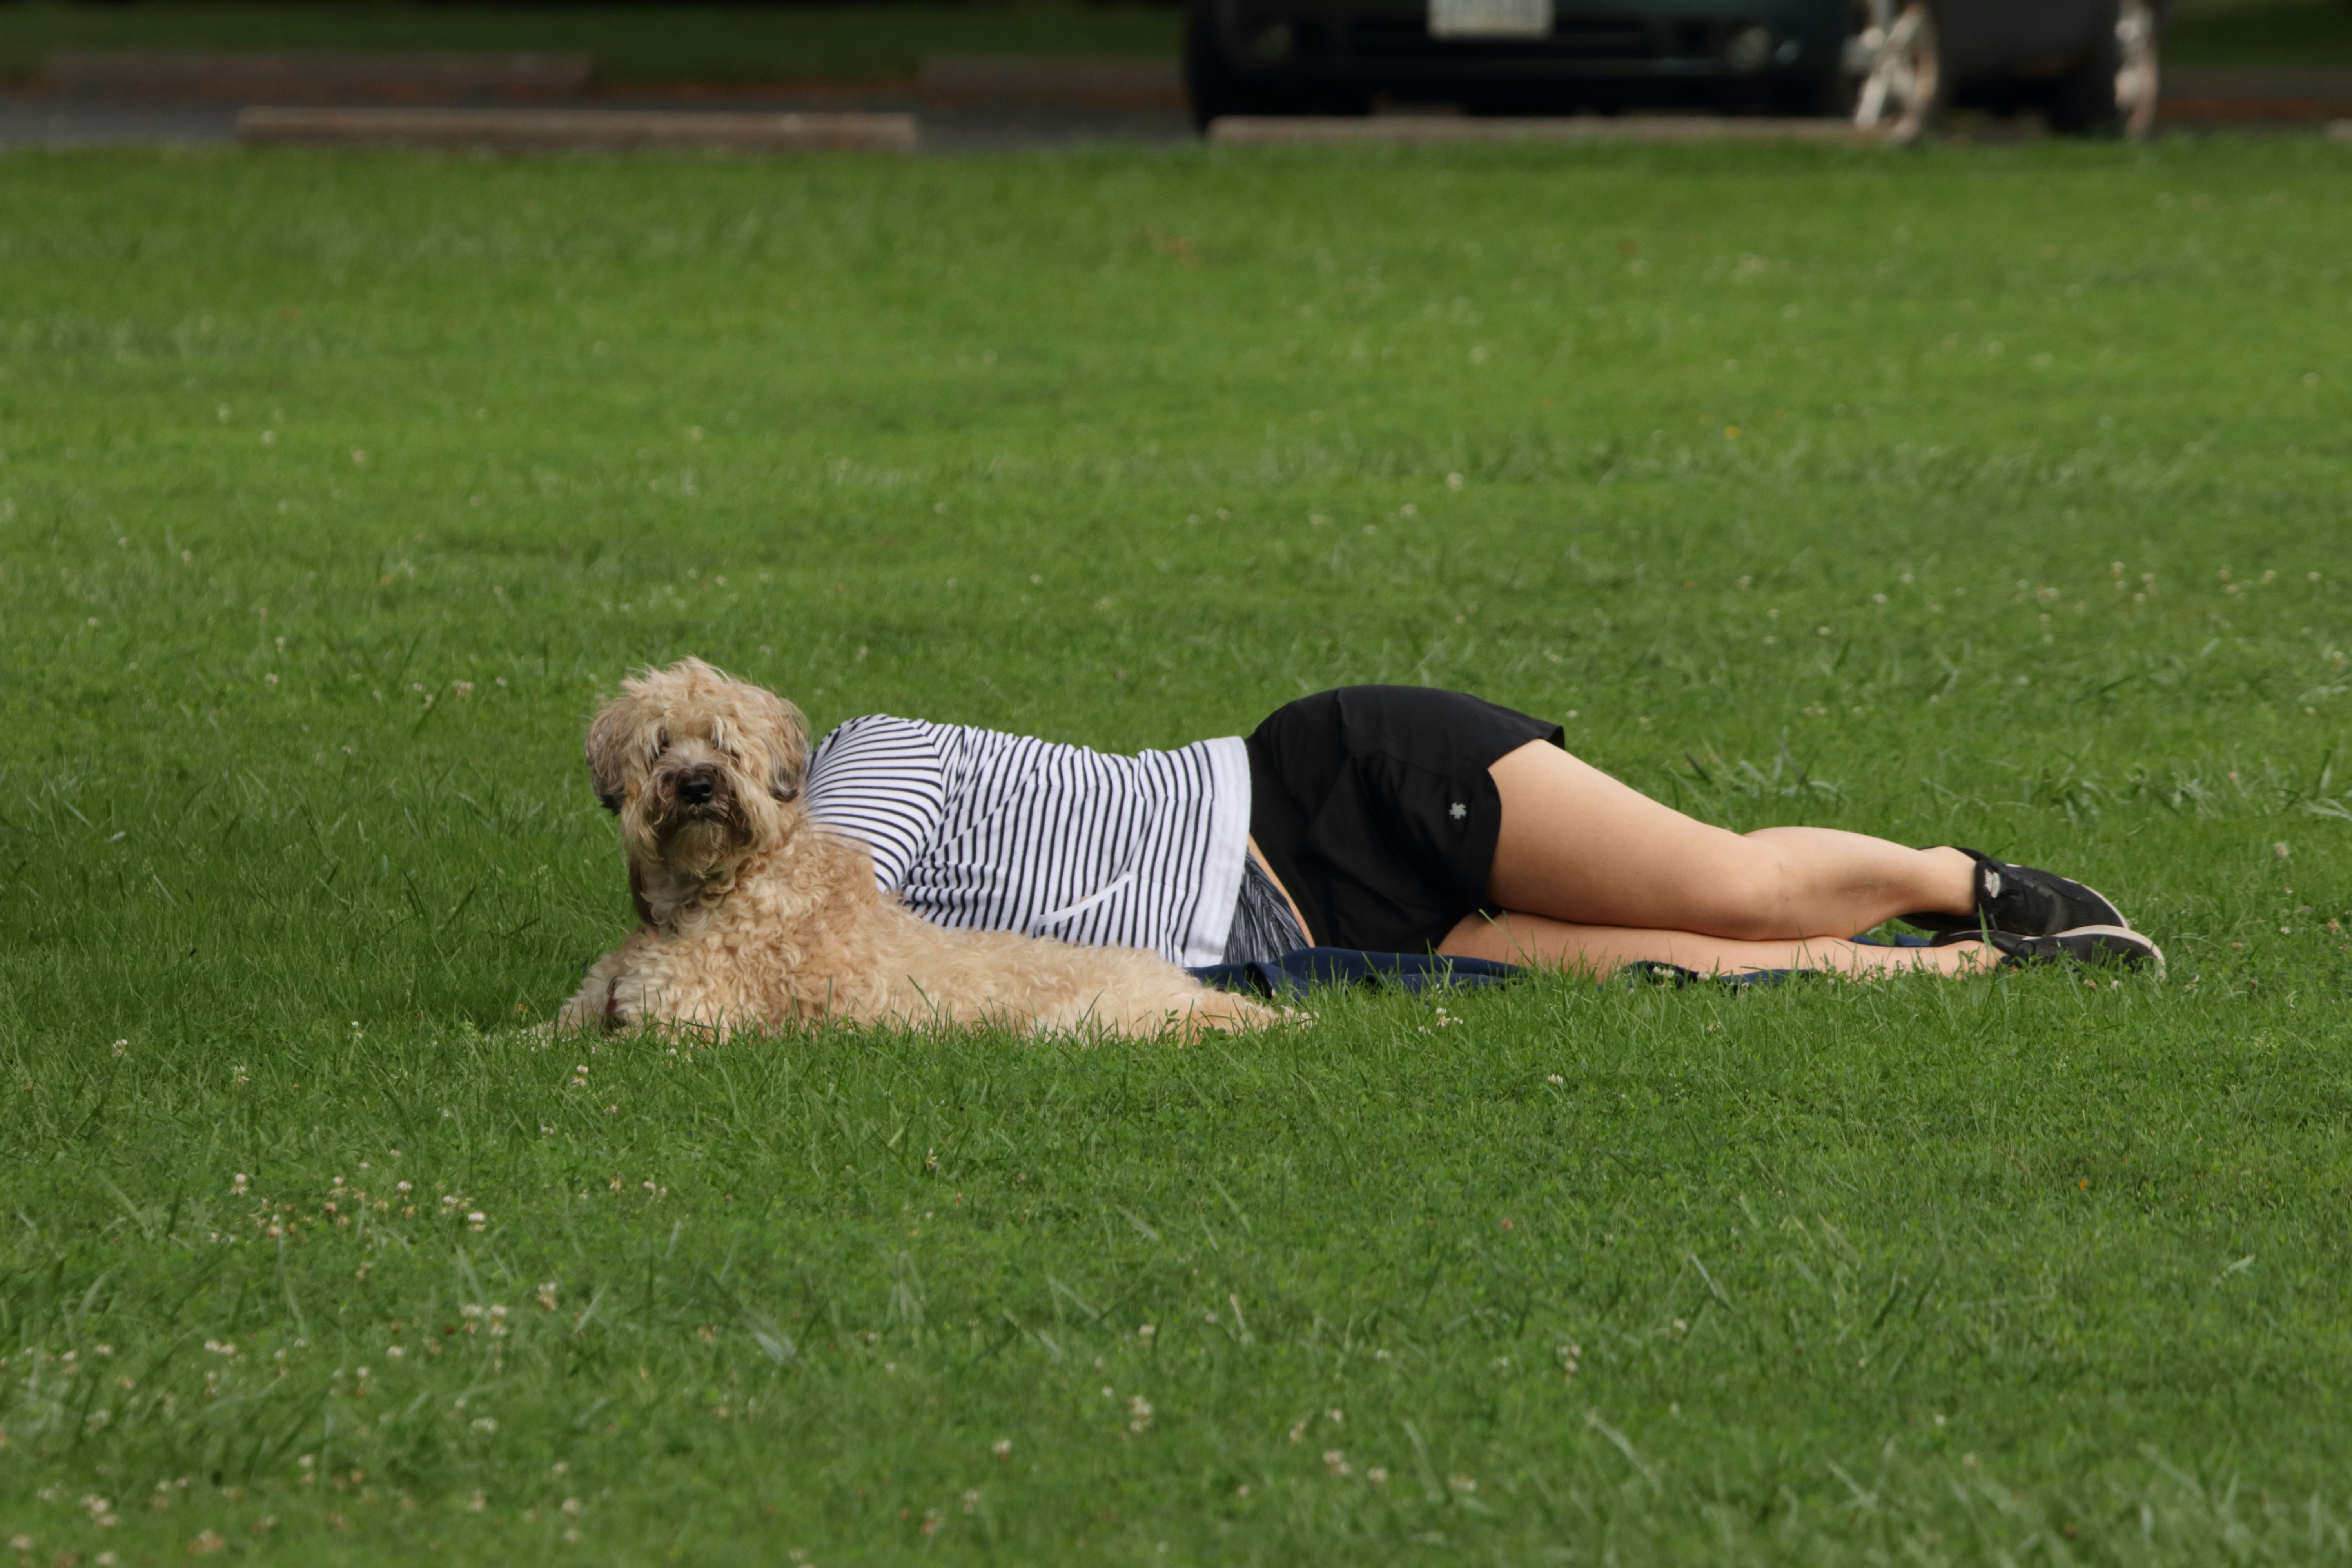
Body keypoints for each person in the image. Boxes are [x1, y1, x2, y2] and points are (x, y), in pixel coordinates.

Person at [799, 685, 2160, 981]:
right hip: (1322, 937)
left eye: (726, 764)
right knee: (1676, 964)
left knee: (1726, 883)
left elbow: (826, 917)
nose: (710, 790)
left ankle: (1975, 885)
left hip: (1331, 789)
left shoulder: (861, 763)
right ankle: (1971, 975)